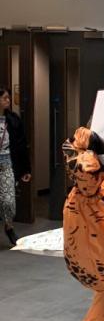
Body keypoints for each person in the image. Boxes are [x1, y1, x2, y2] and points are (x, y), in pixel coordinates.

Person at [0, 86, 31, 246]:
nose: (8, 100)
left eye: (8, 98)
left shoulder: (13, 119)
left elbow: (21, 145)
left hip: (7, 165)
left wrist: (25, 169)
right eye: (4, 98)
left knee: (8, 201)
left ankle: (8, 226)